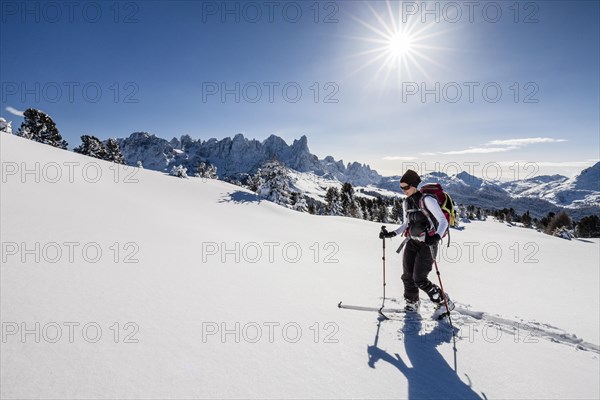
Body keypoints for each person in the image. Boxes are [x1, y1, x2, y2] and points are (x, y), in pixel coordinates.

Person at [379, 169, 455, 313]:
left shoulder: (427, 200)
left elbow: (443, 221)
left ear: (414, 185)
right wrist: (390, 234)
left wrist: (436, 237)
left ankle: (444, 302)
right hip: (412, 242)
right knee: (407, 276)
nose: (403, 190)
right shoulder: (406, 202)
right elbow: (406, 224)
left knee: (419, 278)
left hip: (427, 244)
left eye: (406, 187)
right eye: (401, 187)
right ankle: (412, 302)